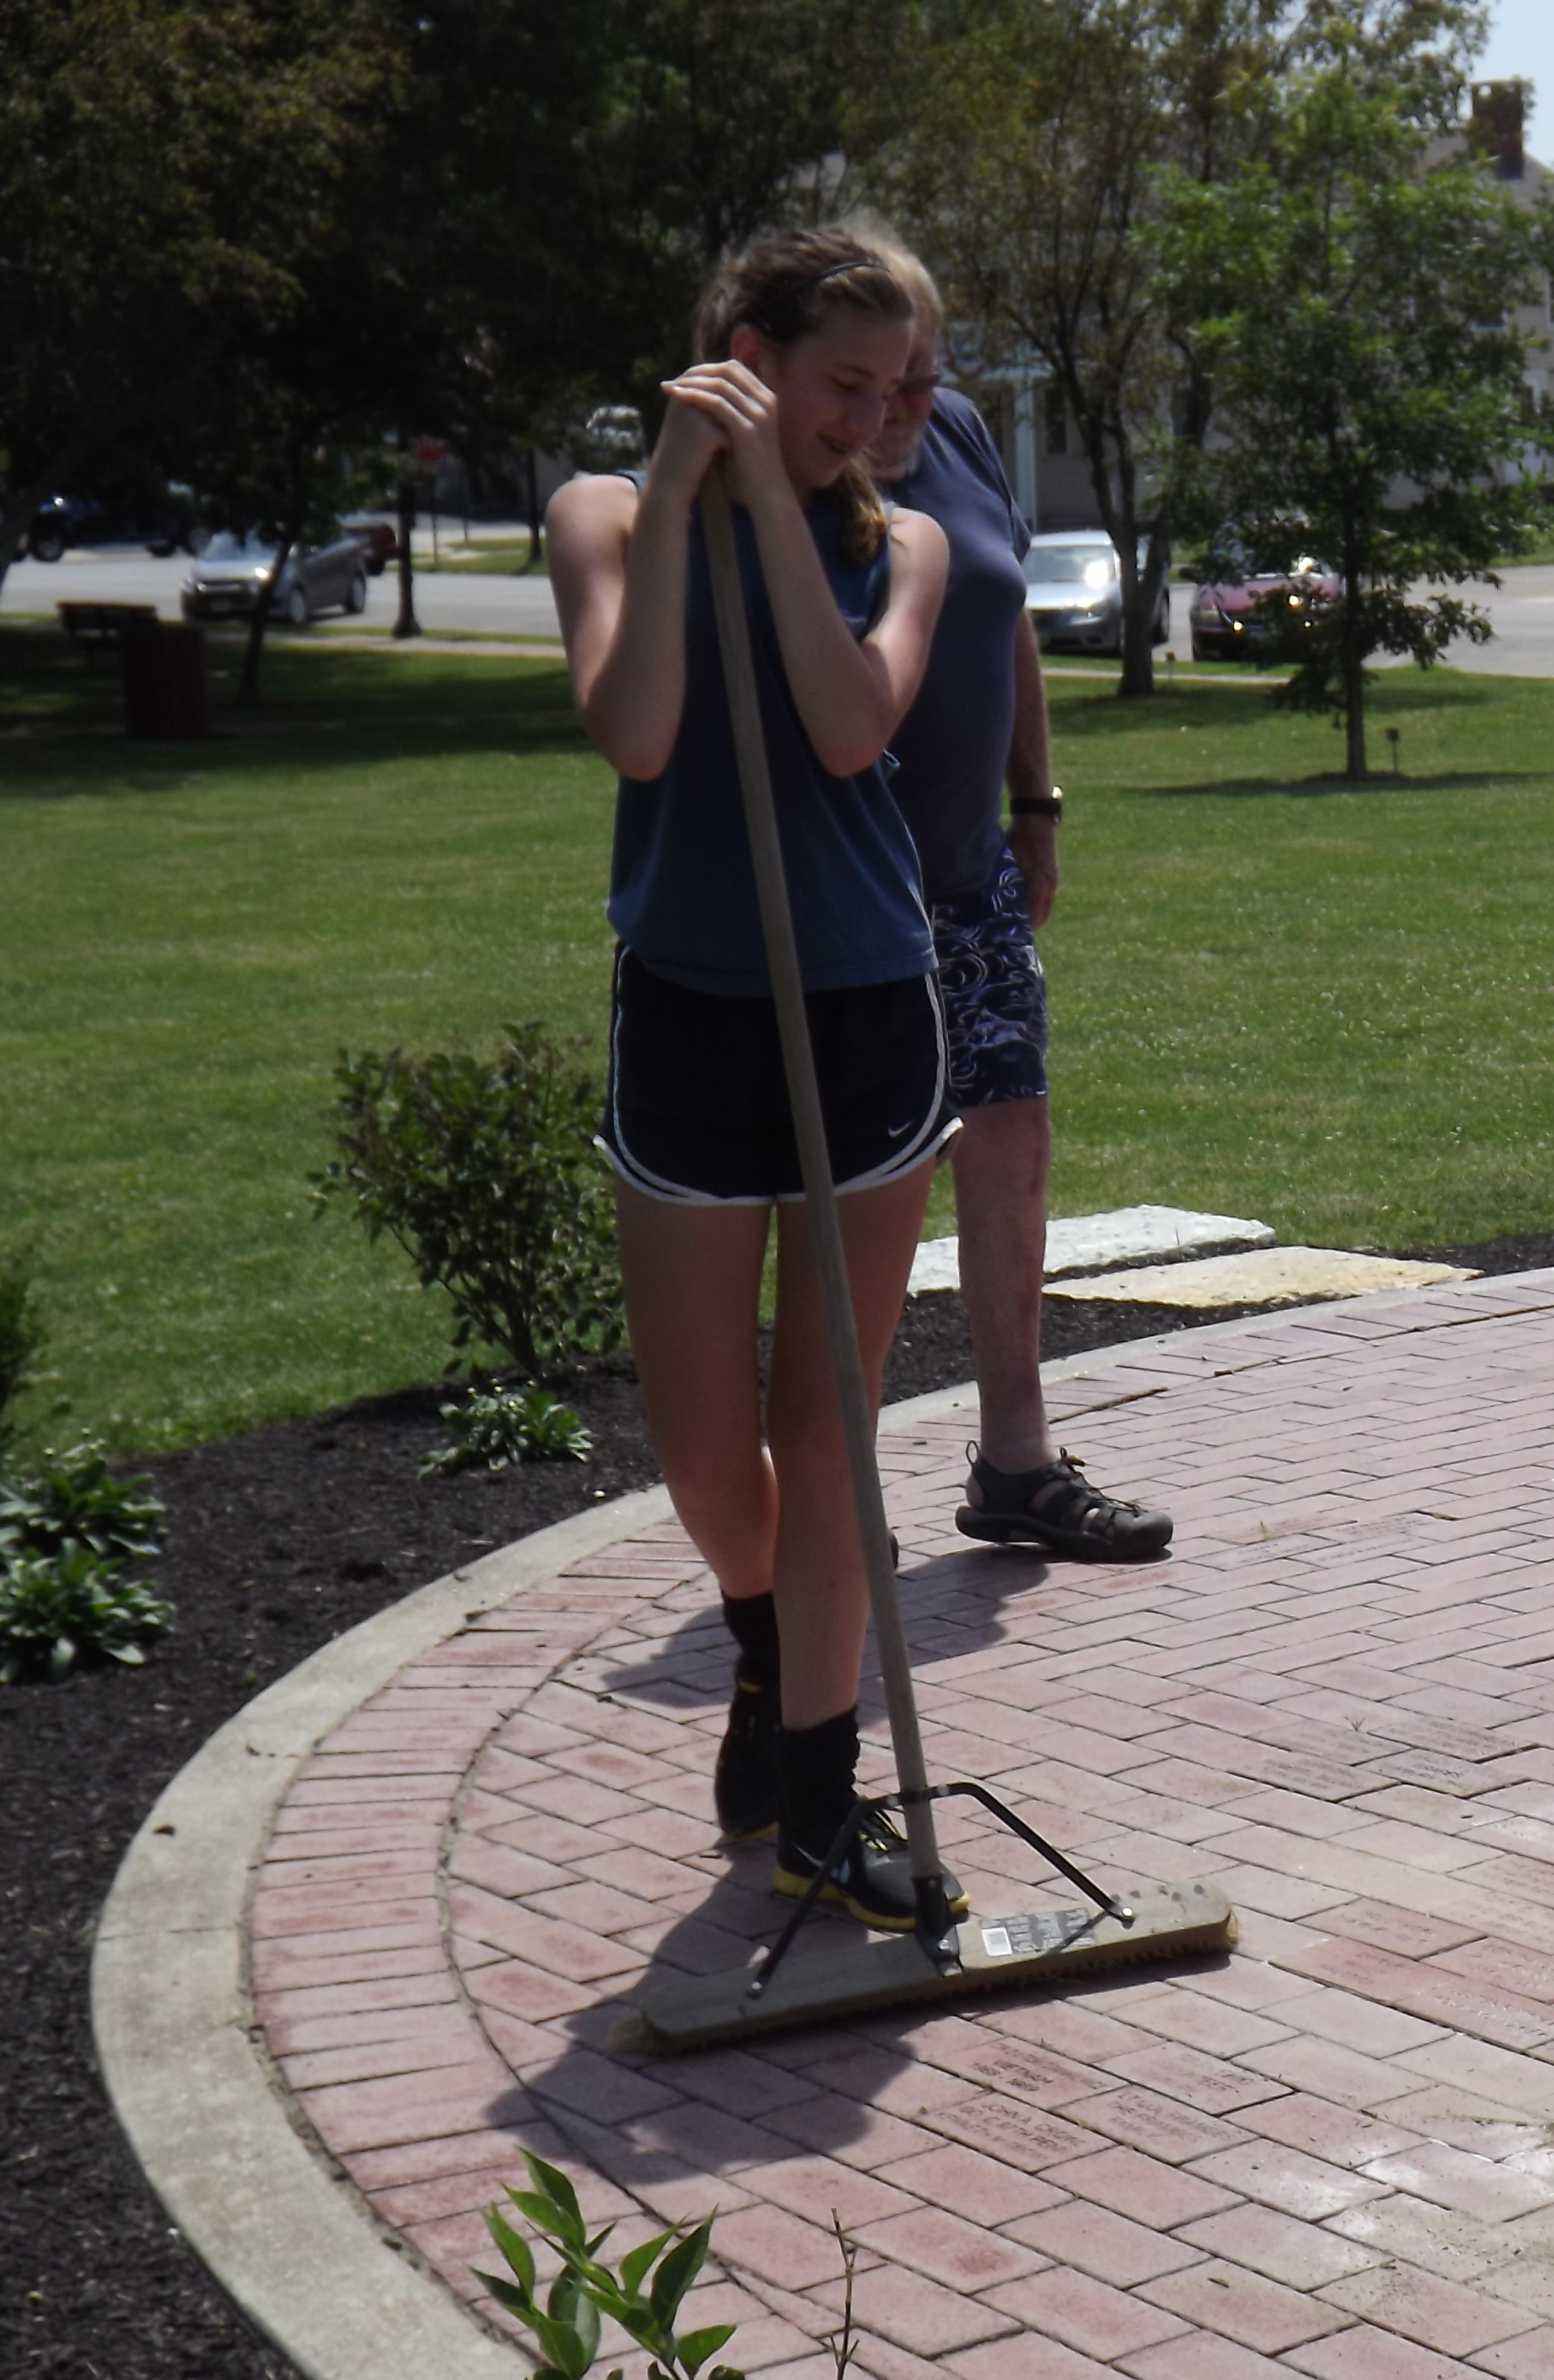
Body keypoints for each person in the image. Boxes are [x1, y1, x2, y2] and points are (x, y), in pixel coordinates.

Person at [546, 227, 954, 1931]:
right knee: (712, 1458)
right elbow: (636, 731)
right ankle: (768, 1635)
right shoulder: (601, 517)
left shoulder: (902, 543)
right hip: (692, 1016)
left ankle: (819, 1800)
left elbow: (850, 726)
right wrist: (683, 487)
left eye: (894, 387)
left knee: (828, 1433)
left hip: (863, 1010)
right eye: (841, 382)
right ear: (746, 353)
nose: (872, 418)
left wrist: (786, 508)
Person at [855, 237, 1171, 1563]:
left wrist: (1034, 800)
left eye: (926, 376)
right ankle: (834, 1491)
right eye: (883, 382)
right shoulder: (797, 480)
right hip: (843, 889)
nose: (908, 407)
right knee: (857, 1187)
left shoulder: (962, 435)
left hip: (968, 873)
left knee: (1010, 1141)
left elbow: (1006, 626)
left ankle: (1016, 1460)